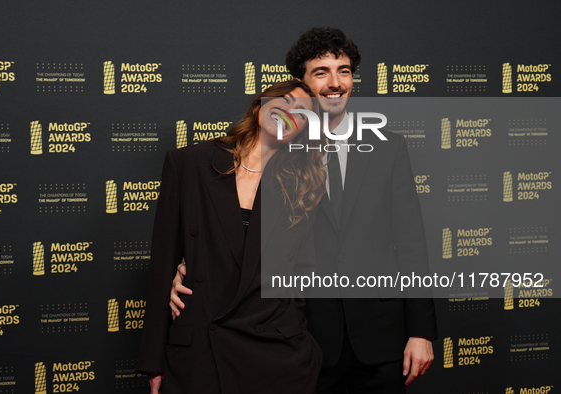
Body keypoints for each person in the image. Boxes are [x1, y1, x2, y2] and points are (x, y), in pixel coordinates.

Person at [170, 28, 437, 393]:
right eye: (321, 72)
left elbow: (411, 243)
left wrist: (420, 331)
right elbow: (240, 236)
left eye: (344, 71)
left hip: (381, 335)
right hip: (304, 338)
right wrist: (191, 271)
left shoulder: (389, 148)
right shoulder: (274, 153)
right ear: (302, 83)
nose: (335, 83)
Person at [137, 80, 326, 394]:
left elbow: (304, 276)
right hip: (201, 355)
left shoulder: (303, 185)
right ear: (261, 104)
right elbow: (161, 268)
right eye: (286, 100)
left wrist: (306, 350)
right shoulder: (188, 164)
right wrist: (153, 362)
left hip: (276, 356)